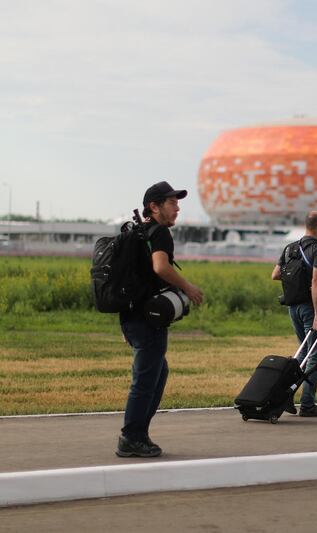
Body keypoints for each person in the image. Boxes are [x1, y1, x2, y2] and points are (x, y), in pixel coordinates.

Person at [116, 181, 204, 457]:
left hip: (132, 316)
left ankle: (138, 433)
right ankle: (132, 437)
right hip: (148, 319)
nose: (177, 208)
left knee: (156, 373)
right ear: (154, 207)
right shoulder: (159, 233)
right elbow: (160, 267)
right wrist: (188, 288)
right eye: (172, 203)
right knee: (146, 378)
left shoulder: (137, 232)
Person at [272, 211, 317, 417]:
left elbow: (276, 274)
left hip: (293, 308)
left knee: (304, 354)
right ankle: (307, 404)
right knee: (315, 356)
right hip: (311, 309)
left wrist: (295, 281)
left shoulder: (290, 248)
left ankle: (283, 394)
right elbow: (316, 282)